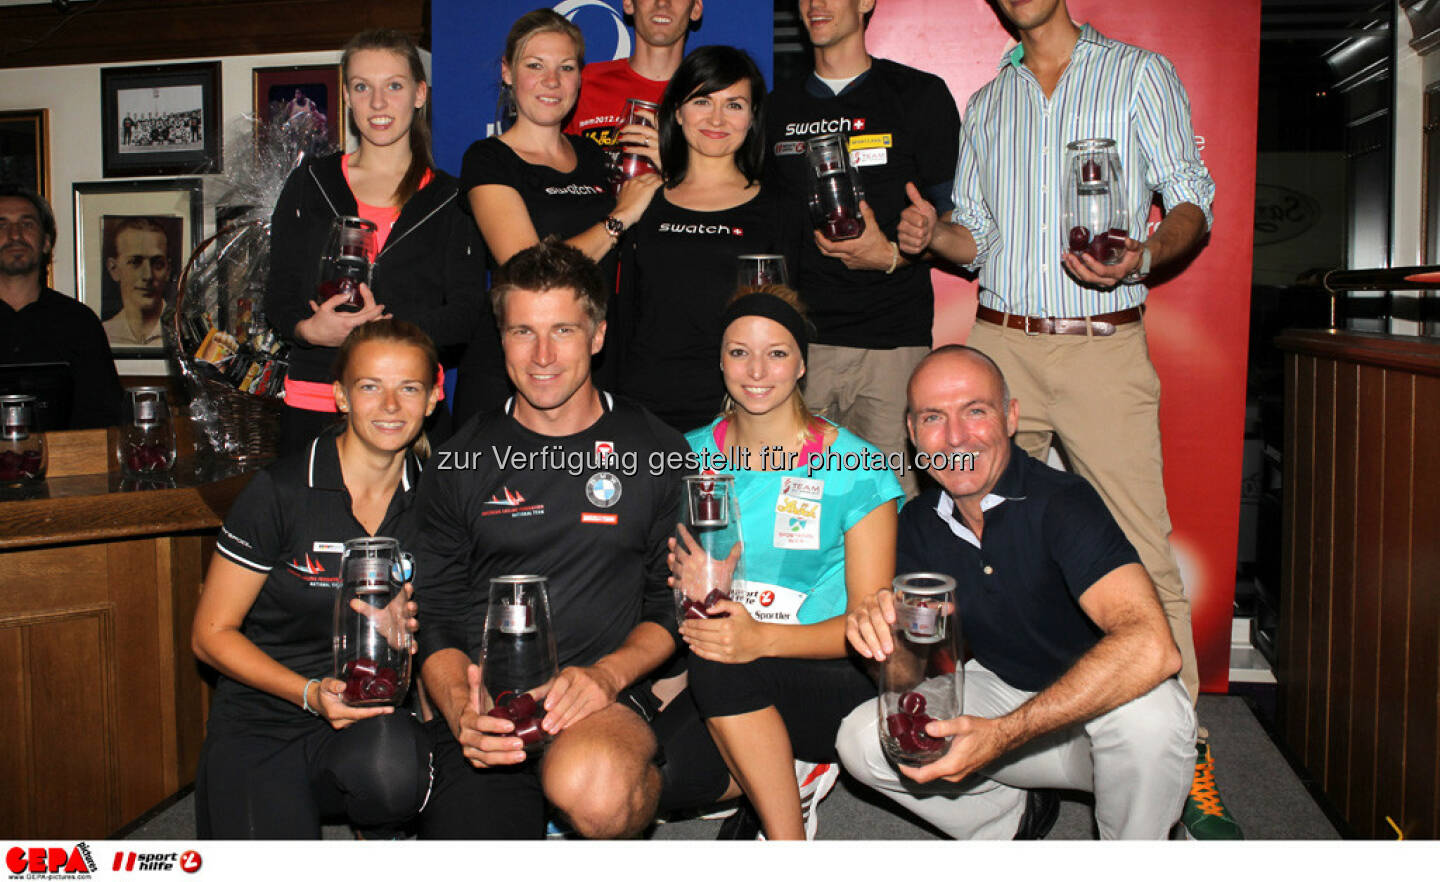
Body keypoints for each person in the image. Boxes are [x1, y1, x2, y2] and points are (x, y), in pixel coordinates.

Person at [901, 0, 1237, 839]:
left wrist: (1141, 258)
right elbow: (981, 240)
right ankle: (1019, 736)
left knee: (1140, 547)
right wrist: (937, 237)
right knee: (966, 529)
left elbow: (1193, 204)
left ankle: (1184, 753)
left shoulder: (1137, 75)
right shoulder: (989, 102)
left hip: (1100, 342)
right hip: (1000, 340)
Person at [835, 345, 1196, 840]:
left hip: (1101, 722)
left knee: (1151, 720)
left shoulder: (1063, 501)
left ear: (1010, 417)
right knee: (863, 740)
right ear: (914, 434)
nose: (956, 436)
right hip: (1010, 704)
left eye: (975, 411)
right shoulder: (918, 523)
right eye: (934, 417)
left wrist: (1002, 735)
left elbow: (1153, 646)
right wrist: (879, 637)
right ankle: (1010, 824)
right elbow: (909, 673)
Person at [412, 239, 687, 839]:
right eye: (521, 332)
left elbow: (669, 607)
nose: (542, 355)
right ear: (500, 338)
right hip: (487, 709)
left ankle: (579, 810)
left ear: (597, 335)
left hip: (599, 701)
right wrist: (463, 712)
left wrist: (608, 678)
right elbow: (433, 613)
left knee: (597, 789)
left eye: (563, 330)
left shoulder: (657, 450)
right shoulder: (460, 461)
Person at [653, 285, 900, 840]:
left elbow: (873, 629)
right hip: (730, 664)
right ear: (720, 361)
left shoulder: (857, 466)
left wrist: (759, 638)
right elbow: (671, 585)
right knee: (661, 776)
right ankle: (777, 771)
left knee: (725, 647)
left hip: (830, 674)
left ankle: (784, 837)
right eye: (739, 352)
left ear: (803, 363)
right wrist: (687, 599)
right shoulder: (687, 456)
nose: (757, 369)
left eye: (778, 352)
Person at [190, 318, 437, 839]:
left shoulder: (437, 500)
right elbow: (210, 636)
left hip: (373, 716)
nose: (391, 405)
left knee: (396, 776)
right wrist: (307, 693)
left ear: (433, 396)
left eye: (408, 387)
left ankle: (378, 823)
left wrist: (417, 629)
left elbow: (452, 623)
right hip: (265, 716)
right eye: (371, 386)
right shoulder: (279, 491)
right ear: (341, 397)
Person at [764, 0, 960, 501]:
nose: (815, 1)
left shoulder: (918, 96)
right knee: (798, 509)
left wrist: (897, 253)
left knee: (893, 509)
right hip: (802, 348)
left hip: (891, 345)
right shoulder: (776, 109)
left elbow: (957, 226)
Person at [265, 28, 492, 457]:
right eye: (362, 87)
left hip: (407, 411)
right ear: (347, 98)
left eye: (394, 85)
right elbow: (278, 298)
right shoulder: (311, 184)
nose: (378, 103)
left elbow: (465, 315)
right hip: (318, 402)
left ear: (419, 94)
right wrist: (310, 330)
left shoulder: (451, 198)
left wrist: (382, 335)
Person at [458, 8, 661, 414]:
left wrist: (667, 173)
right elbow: (530, 271)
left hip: (591, 367)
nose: (552, 81)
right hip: (514, 376)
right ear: (508, 72)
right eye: (535, 66)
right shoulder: (488, 159)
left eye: (566, 68)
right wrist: (619, 218)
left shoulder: (594, 155)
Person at [616, 46, 802, 431]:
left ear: (752, 118)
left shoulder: (779, 207)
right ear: (678, 112)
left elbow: (789, 321)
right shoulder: (643, 200)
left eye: (734, 105)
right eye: (702, 100)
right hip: (643, 407)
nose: (717, 118)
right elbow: (625, 312)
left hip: (737, 410)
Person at [566, 0, 704, 154]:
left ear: (695, 8)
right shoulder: (584, 84)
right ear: (628, 2)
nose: (663, 1)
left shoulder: (710, 93)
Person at [0, 183, 121, 429]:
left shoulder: (79, 323)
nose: (14, 235)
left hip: (68, 465)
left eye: (27, 224)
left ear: (46, 242)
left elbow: (106, 418)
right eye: (1, 225)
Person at [102, 217, 170, 347]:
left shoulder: (184, 333)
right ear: (113, 269)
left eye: (158, 263)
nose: (148, 275)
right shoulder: (103, 333)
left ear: (168, 270)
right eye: (135, 262)